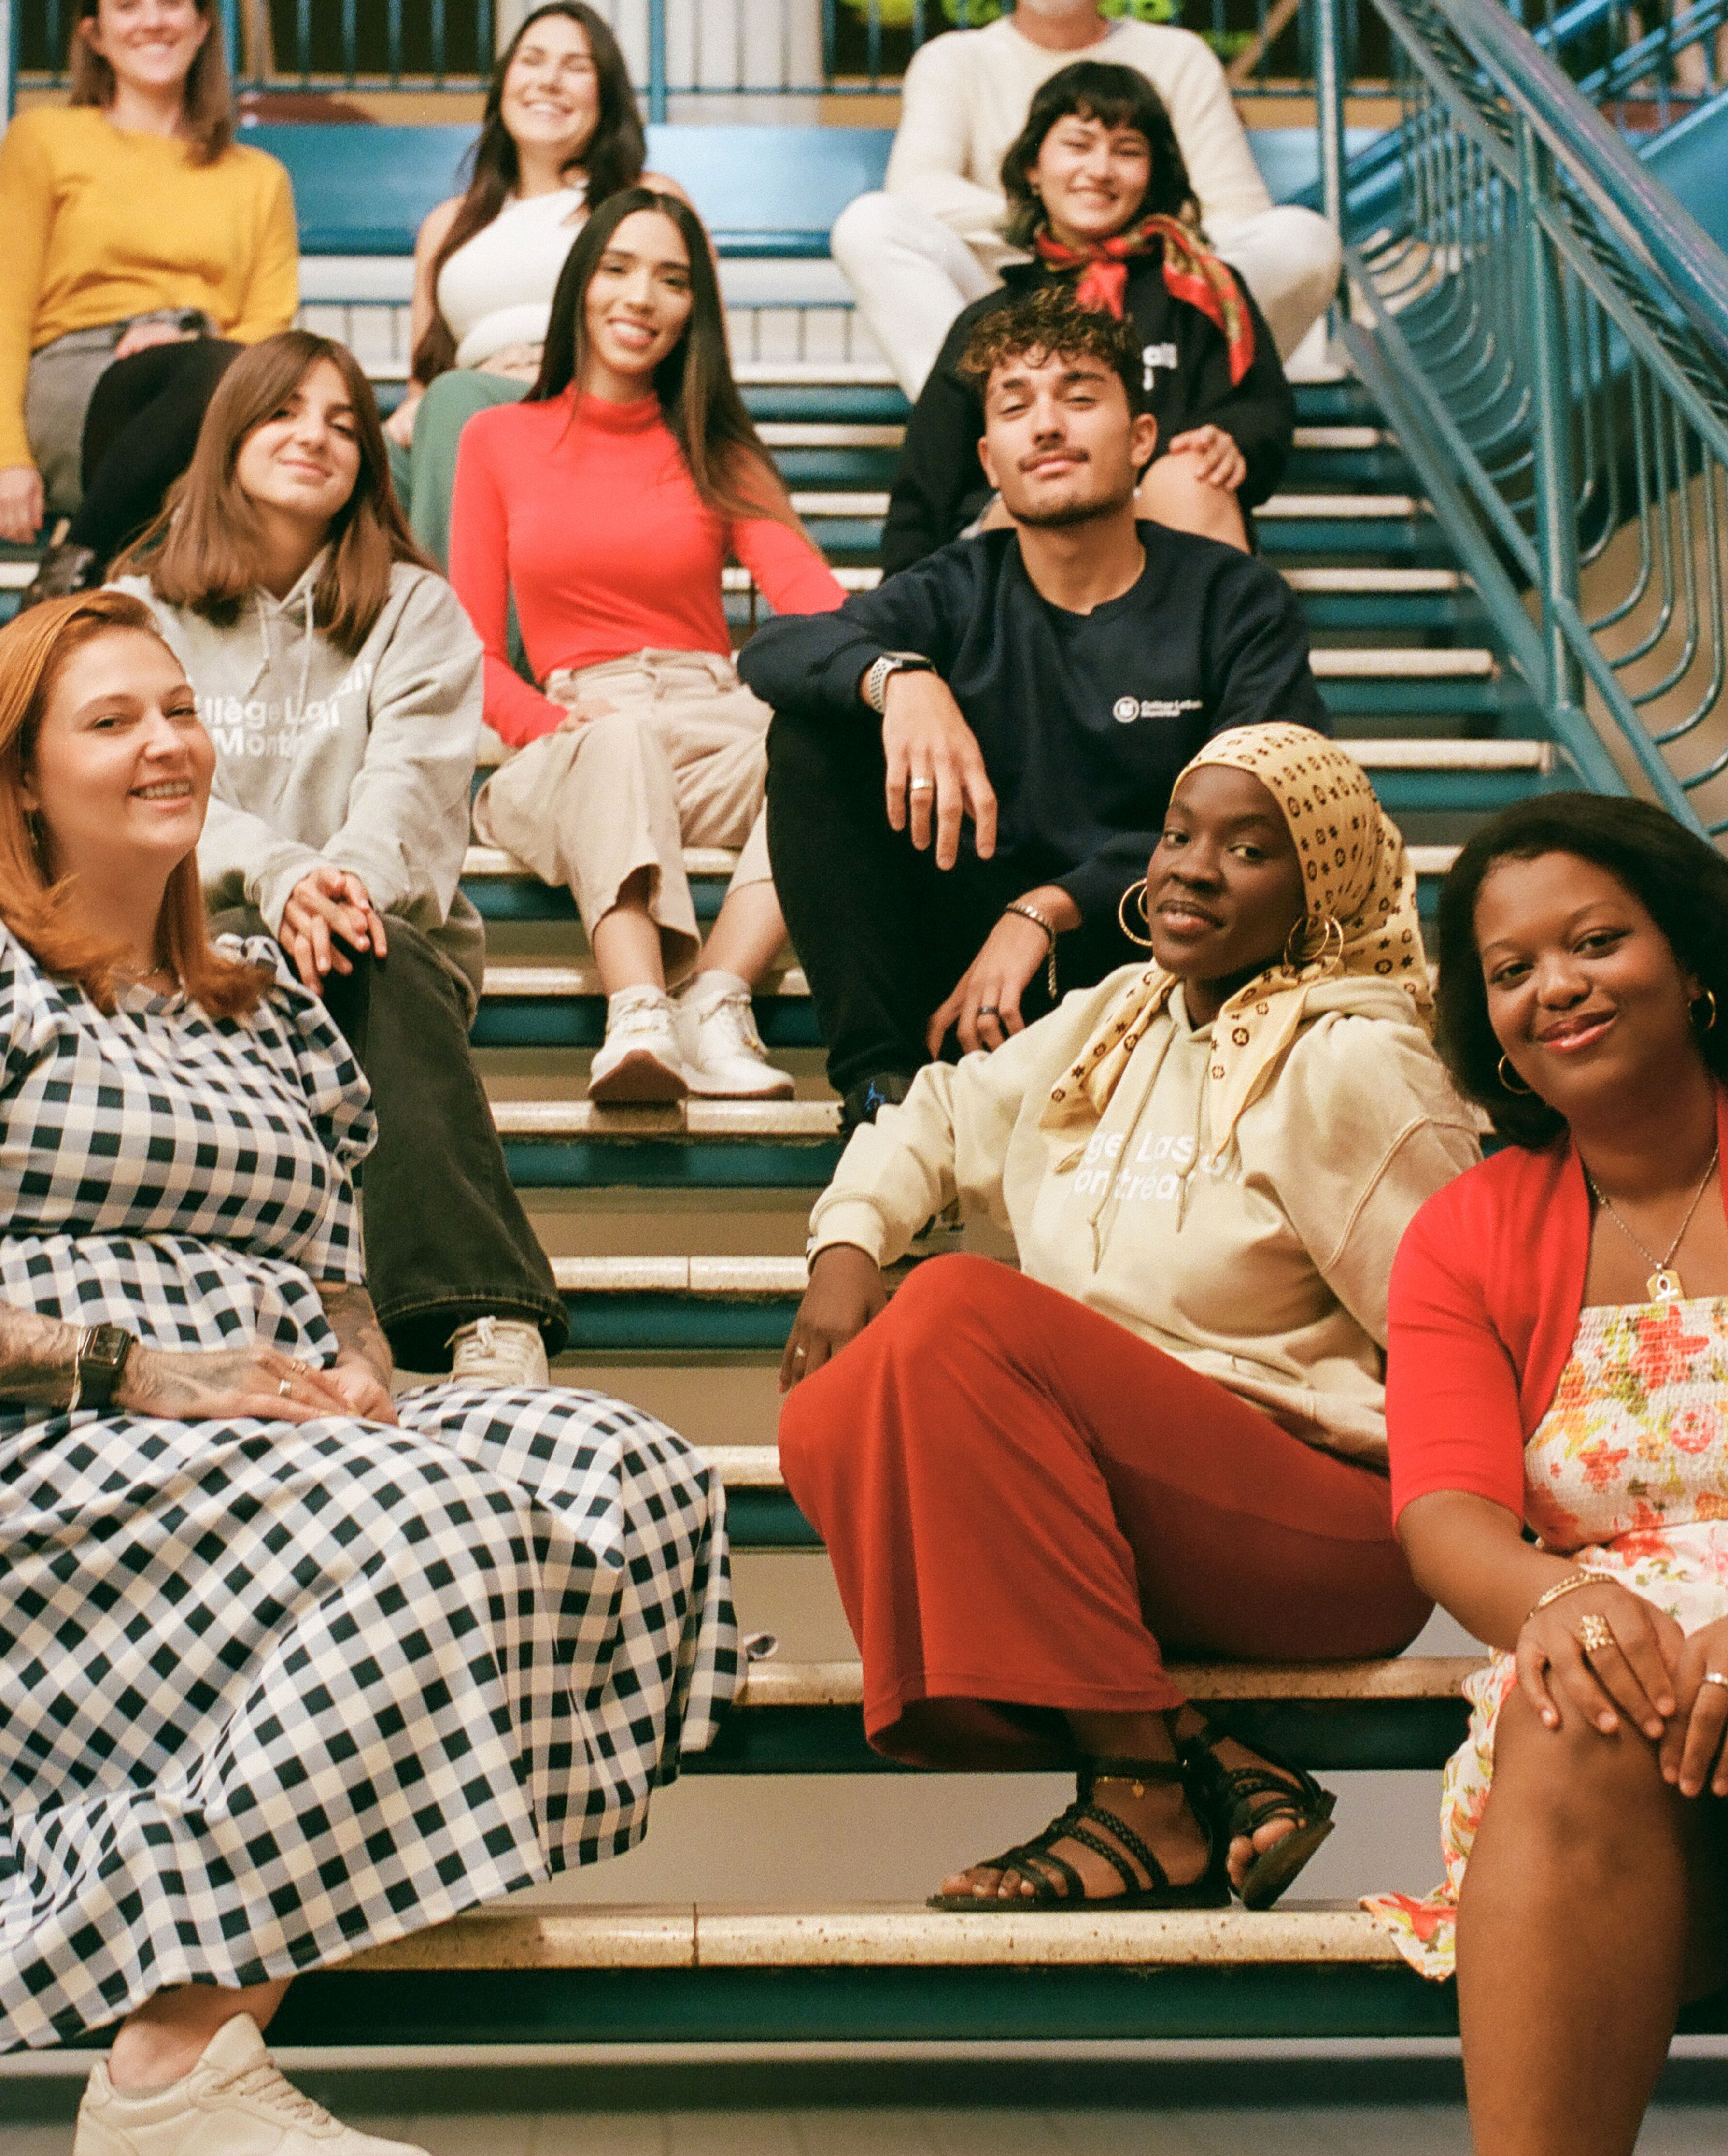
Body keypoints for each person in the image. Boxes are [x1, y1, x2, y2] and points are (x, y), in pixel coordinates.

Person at [0, 590, 737, 2145]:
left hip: (253, 1427)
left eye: (178, 709)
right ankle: (172, 2074)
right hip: (11, 1438)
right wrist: (131, 1366)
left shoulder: (261, 996)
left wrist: (358, 1377)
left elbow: (334, 1267)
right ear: (19, 777)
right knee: (432, 1524)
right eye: (113, 719)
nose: (167, 743)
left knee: (634, 1465)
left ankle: (253, 1890)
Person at [779, 725, 1479, 1915]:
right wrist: (845, 1246)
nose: (1191, 868)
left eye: (1248, 849)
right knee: (827, 1417)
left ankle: (1144, 1798)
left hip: (1321, 1527)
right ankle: (1200, 1747)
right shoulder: (1119, 1015)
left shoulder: (1354, 1062)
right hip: (1132, 1499)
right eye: (1176, 834)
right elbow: (940, 1108)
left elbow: (1459, 1326)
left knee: (953, 1309)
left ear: (1319, 890)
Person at [740, 283, 1328, 1130]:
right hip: (965, 965)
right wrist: (900, 679)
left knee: (1242, 832)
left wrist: (1052, 906)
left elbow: (1272, 799)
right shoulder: (956, 587)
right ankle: (881, 1094)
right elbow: (777, 650)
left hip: (1148, 944)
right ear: (989, 461)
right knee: (814, 731)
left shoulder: (1235, 600)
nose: (1046, 425)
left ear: (1140, 440)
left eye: (1079, 398)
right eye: (1015, 407)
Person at [1370, 793, 1728, 2156]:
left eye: (1594, 943)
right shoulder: (1469, 1231)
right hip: (1633, 1718)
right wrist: (1555, 1604)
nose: (1556, 989)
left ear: (1690, 958)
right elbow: (1449, 1509)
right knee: (1572, 1700)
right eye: (1510, 972)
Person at [113, 327, 567, 1389]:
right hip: (193, 950)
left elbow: (414, 785)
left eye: (343, 422)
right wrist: (278, 877)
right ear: (230, 434)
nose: (312, 436)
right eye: (282, 411)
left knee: (369, 941)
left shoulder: (416, 608)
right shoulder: (141, 612)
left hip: (374, 955)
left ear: (369, 459)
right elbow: (153, 789)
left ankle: (486, 1314)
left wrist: (336, 887)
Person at [451, 187, 845, 1103]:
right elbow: (470, 652)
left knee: (835, 747)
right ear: (581, 285)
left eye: (672, 281)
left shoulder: (719, 448)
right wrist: (549, 720)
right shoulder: (499, 437)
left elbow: (813, 601)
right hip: (576, 729)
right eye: (620, 269)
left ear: (693, 312)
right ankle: (637, 1014)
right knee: (617, 740)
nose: (642, 297)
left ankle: (717, 995)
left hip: (712, 720)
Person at [830, 0, 1342, 399]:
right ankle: (988, 437)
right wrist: (1067, 232)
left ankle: (1174, 427)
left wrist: (1134, 254)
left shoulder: (1180, 56)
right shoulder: (955, 59)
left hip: (1153, 314)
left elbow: (1238, 215)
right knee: (870, 224)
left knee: (1305, 240)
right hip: (1012, 307)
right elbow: (917, 191)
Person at [0, 0, 299, 598]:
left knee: (235, 381)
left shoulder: (259, 177)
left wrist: (189, 348)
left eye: (171, 0)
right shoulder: (44, 139)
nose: (153, 19)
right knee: (220, 405)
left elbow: (267, 320)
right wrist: (4, 456)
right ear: (94, 34)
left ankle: (75, 568)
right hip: (83, 376)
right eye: (128, 4)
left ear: (202, 24)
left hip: (210, 380)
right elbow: (3, 304)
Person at [881, 60, 1294, 570]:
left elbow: (1262, 410)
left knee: (1187, 478)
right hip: (1028, 534)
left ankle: (1219, 645)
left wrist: (1233, 442)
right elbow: (927, 482)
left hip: (1168, 530)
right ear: (1033, 167)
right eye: (1078, 145)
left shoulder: (1201, 291)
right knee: (1046, 481)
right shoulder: (994, 317)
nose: (1100, 170)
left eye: (1127, 151)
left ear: (1154, 174)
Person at [385, 0, 648, 568]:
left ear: (605, 96)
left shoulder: (641, 202)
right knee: (361, 454)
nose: (549, 80)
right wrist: (421, 405)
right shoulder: (448, 224)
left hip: (593, 410)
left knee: (457, 402)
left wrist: (547, 369)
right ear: (505, 82)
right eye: (532, 60)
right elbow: (421, 385)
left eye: (576, 66)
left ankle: (454, 641)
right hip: (468, 411)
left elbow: (692, 344)